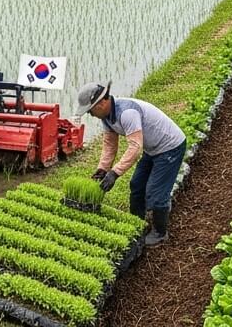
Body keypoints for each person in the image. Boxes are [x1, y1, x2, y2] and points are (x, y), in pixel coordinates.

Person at [77, 81, 188, 246]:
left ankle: (160, 232)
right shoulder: (106, 117)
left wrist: (114, 173)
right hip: (152, 149)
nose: (91, 115)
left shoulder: (126, 112)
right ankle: (137, 222)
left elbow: (135, 147)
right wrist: (102, 170)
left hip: (170, 147)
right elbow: (110, 146)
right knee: (136, 185)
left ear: (100, 104)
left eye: (90, 110)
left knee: (155, 193)